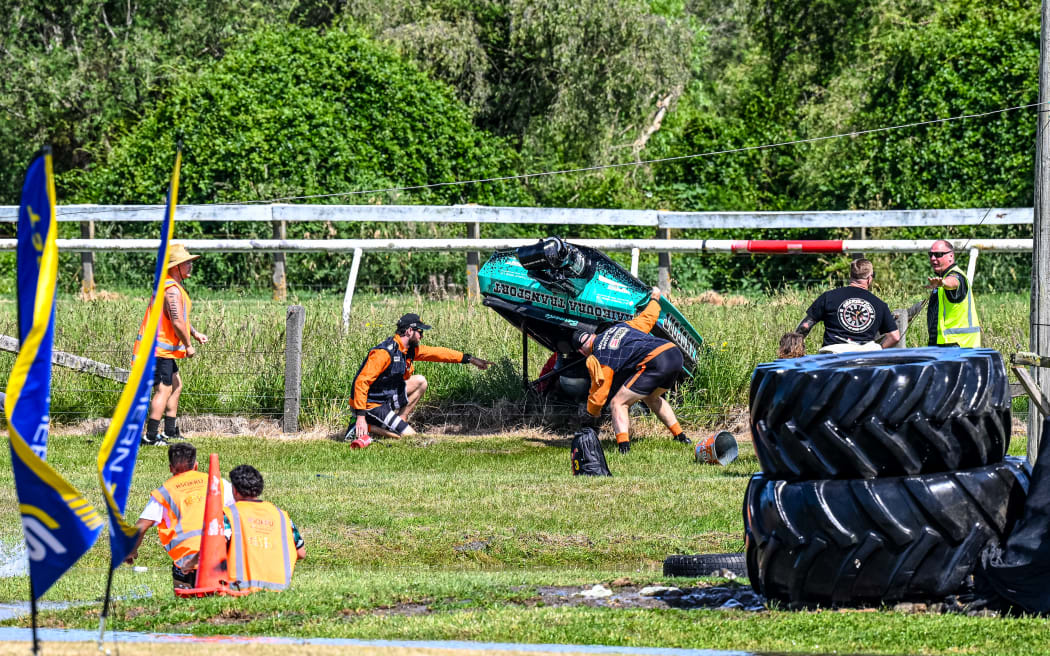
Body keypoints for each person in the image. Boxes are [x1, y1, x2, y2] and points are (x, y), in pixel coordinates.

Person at [571, 287, 690, 454]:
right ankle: (681, 437)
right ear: (592, 334)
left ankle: (624, 449)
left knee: (618, 403)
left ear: (582, 351)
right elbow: (648, 318)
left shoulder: (598, 356)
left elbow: (600, 391)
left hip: (656, 360)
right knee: (652, 397)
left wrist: (592, 414)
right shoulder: (621, 327)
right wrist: (655, 298)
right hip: (673, 353)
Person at [347, 313, 492, 447]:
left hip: (385, 398)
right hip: (370, 405)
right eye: (420, 332)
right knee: (411, 437)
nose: (421, 336)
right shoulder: (384, 353)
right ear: (409, 331)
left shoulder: (408, 349)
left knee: (420, 381)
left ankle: (399, 421)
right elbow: (361, 382)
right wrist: (360, 416)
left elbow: (438, 353)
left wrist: (471, 359)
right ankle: (366, 426)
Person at [124, 443, 234, 590]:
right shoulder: (218, 483)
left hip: (188, 565)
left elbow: (141, 527)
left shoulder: (163, 493)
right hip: (224, 559)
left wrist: (130, 551)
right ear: (196, 465)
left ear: (170, 468)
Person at [137, 243, 208, 446]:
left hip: (164, 350)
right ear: (175, 267)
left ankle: (169, 431)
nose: (190, 266)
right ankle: (150, 436)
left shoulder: (173, 288)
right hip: (160, 350)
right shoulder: (171, 290)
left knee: (176, 385)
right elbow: (176, 321)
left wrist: (194, 334)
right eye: (186, 263)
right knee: (164, 389)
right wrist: (188, 345)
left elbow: (179, 318)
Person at [223, 464, 305, 593]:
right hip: (281, 589)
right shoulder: (282, 516)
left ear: (235, 490)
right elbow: (301, 553)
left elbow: (215, 551)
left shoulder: (228, 514)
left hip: (239, 589)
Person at [795, 258, 900, 353]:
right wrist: (879, 349)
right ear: (869, 278)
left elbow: (805, 326)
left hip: (833, 354)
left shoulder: (829, 297)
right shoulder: (880, 304)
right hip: (866, 357)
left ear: (850, 276)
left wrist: (794, 349)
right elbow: (895, 337)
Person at [926, 240, 981, 348]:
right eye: (931, 254)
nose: (933, 258)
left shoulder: (956, 275)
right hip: (945, 345)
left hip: (960, 347)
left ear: (951, 256)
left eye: (938, 255)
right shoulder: (942, 278)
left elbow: (954, 282)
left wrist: (943, 283)